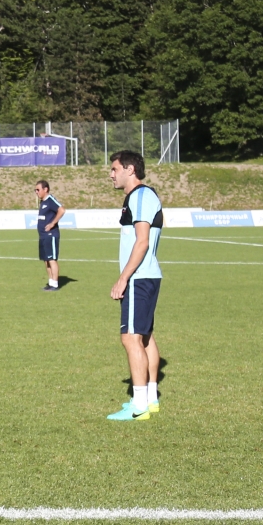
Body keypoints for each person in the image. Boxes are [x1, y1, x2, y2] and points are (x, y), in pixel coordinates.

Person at [108, 151, 163, 420]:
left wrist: (123, 279)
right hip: (146, 276)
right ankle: (150, 399)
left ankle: (139, 406)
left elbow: (142, 241)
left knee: (130, 338)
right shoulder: (139, 196)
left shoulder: (140, 196)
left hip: (139, 277)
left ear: (130, 169)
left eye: (114, 169)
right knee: (145, 337)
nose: (111, 174)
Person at [36, 180, 66, 291]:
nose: (36, 192)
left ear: (45, 189)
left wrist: (52, 223)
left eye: (38, 189)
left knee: (52, 259)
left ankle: (55, 284)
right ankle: (51, 282)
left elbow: (62, 210)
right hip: (43, 236)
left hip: (50, 235)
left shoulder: (50, 200)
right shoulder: (42, 202)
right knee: (46, 260)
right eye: (35, 190)